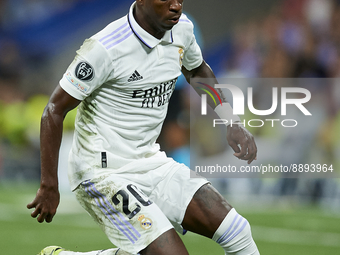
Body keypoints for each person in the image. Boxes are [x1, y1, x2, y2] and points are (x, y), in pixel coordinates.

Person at [27, 0, 259, 255]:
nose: (176, 6)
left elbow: (197, 70)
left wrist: (230, 119)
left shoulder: (182, 29)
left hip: (150, 160)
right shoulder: (105, 47)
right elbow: (54, 110)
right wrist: (49, 184)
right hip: (102, 173)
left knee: (238, 231)